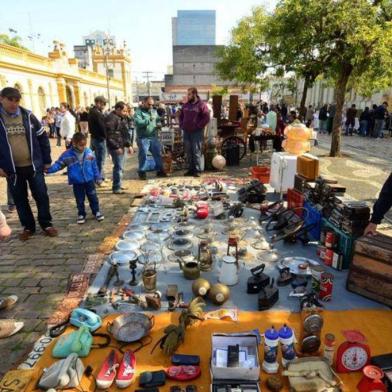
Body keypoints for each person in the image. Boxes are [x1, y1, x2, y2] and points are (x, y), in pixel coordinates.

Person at [0, 87, 57, 240]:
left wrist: (46, 161)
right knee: (20, 199)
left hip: (34, 166)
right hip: (12, 169)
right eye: (9, 100)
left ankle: (46, 224)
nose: (13, 103)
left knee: (42, 195)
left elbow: (43, 138)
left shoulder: (28, 116)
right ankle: (28, 227)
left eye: (16, 100)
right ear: (1, 99)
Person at [46, 133, 104, 224]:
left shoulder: (89, 152)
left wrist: (98, 177)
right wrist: (48, 170)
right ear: (74, 144)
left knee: (93, 197)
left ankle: (96, 211)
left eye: (84, 145)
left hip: (89, 180)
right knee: (79, 199)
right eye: (81, 145)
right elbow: (59, 164)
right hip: (77, 182)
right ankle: (81, 214)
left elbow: (94, 166)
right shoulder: (67, 154)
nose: (83, 147)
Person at [179, 87, 210, 177]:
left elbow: (206, 117)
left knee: (196, 151)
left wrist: (198, 126)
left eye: (189, 94)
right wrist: (181, 125)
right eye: (187, 94)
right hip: (186, 132)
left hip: (197, 132)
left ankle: (198, 170)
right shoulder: (185, 105)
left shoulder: (202, 105)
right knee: (188, 151)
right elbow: (181, 116)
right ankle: (191, 169)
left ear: (195, 94)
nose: (187, 96)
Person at [134, 97, 166, 180]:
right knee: (143, 155)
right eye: (149, 104)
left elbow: (158, 119)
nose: (151, 106)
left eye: (152, 104)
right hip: (143, 138)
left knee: (157, 153)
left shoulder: (154, 111)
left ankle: (160, 170)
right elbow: (138, 123)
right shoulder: (138, 112)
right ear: (144, 102)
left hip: (153, 136)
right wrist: (148, 120)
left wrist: (159, 122)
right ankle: (142, 172)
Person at [105, 101, 132, 194]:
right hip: (116, 146)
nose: (126, 113)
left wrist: (129, 145)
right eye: (124, 111)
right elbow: (110, 135)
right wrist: (116, 147)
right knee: (118, 167)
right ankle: (116, 187)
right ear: (118, 109)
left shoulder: (121, 118)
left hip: (121, 144)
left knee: (121, 167)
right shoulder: (111, 119)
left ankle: (119, 184)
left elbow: (125, 132)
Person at [88, 96, 107, 179]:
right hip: (99, 139)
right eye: (104, 104)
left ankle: (100, 176)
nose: (104, 106)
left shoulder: (92, 111)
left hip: (94, 138)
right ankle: (98, 178)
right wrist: (107, 137)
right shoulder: (97, 113)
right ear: (98, 103)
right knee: (100, 160)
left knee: (98, 159)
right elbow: (102, 127)